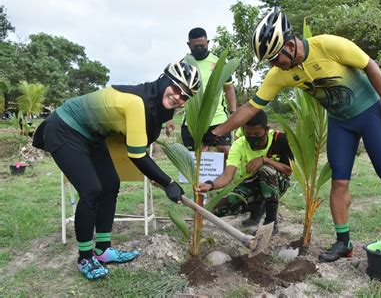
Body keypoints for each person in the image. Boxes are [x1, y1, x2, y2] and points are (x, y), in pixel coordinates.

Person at [211, 8, 381, 275]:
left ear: (289, 44)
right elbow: (251, 108)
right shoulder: (279, 74)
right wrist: (218, 132)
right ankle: (343, 242)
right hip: (340, 123)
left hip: (369, 113)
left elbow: (371, 66)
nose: (274, 66)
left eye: (275, 58)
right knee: (339, 182)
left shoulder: (329, 45)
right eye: (269, 62)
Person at [32, 61, 201, 280]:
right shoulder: (137, 103)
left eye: (185, 96)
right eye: (177, 88)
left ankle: (103, 250)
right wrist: (168, 182)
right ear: (164, 80)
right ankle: (85, 257)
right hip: (65, 128)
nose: (178, 97)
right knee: (91, 190)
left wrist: (159, 179)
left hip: (92, 135)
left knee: (111, 184)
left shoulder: (154, 105)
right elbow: (138, 154)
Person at [197, 111, 292, 235]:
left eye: (257, 133)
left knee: (265, 169)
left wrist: (265, 160)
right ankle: (256, 207)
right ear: (243, 130)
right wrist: (210, 185)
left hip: (277, 184)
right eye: (248, 134)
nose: (252, 137)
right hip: (250, 184)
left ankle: (270, 223)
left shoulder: (280, 140)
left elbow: (288, 171)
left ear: (267, 130)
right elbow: (227, 175)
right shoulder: (239, 145)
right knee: (216, 208)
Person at [165, 27, 237, 156]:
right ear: (189, 45)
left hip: (217, 119)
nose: (199, 48)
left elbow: (229, 88)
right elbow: (173, 94)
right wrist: (169, 118)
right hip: (192, 122)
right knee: (195, 158)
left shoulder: (218, 62)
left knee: (225, 152)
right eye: (195, 46)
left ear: (208, 43)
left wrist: (233, 112)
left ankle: (224, 176)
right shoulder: (183, 64)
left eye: (202, 45)